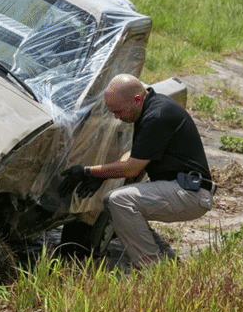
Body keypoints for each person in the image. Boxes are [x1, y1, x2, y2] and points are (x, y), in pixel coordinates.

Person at [58, 74, 213, 269]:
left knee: (120, 201)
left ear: (137, 99)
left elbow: (132, 168)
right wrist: (101, 176)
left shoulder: (157, 116)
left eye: (119, 111)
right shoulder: (151, 106)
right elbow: (134, 153)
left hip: (191, 194)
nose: (117, 117)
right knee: (118, 201)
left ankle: (152, 268)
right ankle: (155, 258)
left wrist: (87, 171)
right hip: (182, 189)